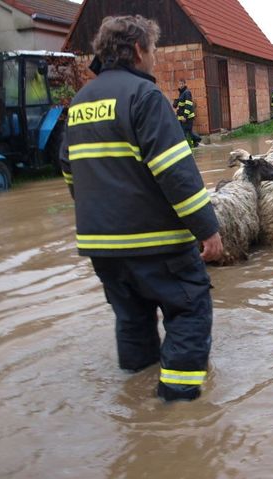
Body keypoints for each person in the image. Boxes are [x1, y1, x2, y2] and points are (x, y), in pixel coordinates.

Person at [59, 15, 223, 402]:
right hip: (158, 243)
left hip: (102, 248)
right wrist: (208, 228)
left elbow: (70, 171)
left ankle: (136, 395)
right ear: (137, 50)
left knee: (132, 320)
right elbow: (176, 173)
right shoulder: (144, 96)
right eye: (153, 50)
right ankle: (178, 409)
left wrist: (98, 215)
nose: (155, 59)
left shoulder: (80, 103)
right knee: (188, 310)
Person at [173, 78, 202, 147]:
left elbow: (188, 105)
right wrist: (176, 102)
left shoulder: (187, 92)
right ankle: (195, 143)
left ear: (184, 84)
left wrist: (185, 116)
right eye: (179, 84)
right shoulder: (181, 93)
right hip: (182, 117)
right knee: (188, 132)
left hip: (187, 118)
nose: (180, 85)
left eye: (181, 84)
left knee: (185, 132)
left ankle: (192, 143)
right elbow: (180, 105)